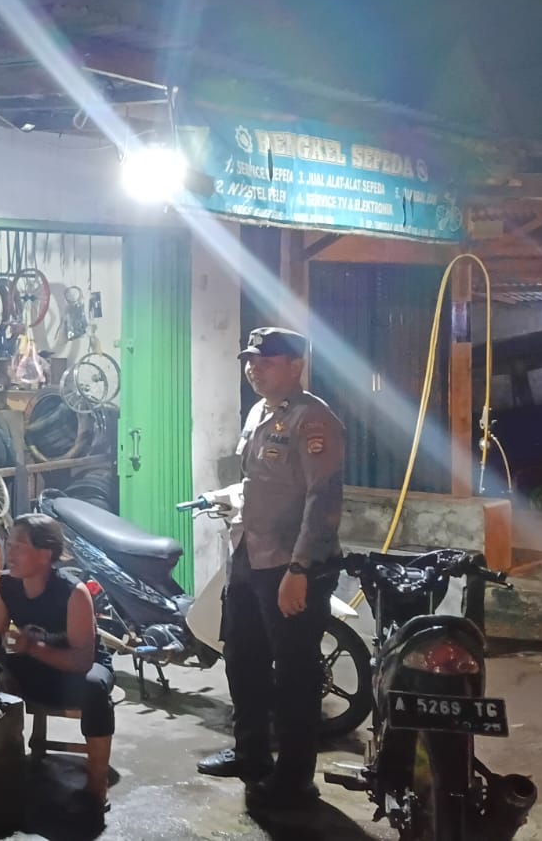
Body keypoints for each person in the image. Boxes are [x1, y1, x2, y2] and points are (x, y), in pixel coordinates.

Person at [195, 327, 346, 812]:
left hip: (290, 564)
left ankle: (296, 779)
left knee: (295, 673)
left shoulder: (313, 420)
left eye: (265, 361)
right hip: (249, 554)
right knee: (243, 658)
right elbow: (258, 482)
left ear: (295, 366)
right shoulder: (259, 413)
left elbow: (323, 501)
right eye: (249, 361)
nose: (252, 369)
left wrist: (299, 569)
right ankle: (250, 753)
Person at [0, 513, 115, 825]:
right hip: (36, 663)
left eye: (18, 546)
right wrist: (2, 671)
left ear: (45, 554)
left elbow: (82, 661)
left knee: (95, 686)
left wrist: (33, 648)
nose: (10, 552)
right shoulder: (7, 585)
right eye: (9, 544)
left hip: (78, 671)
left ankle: (96, 786)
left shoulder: (73, 592)